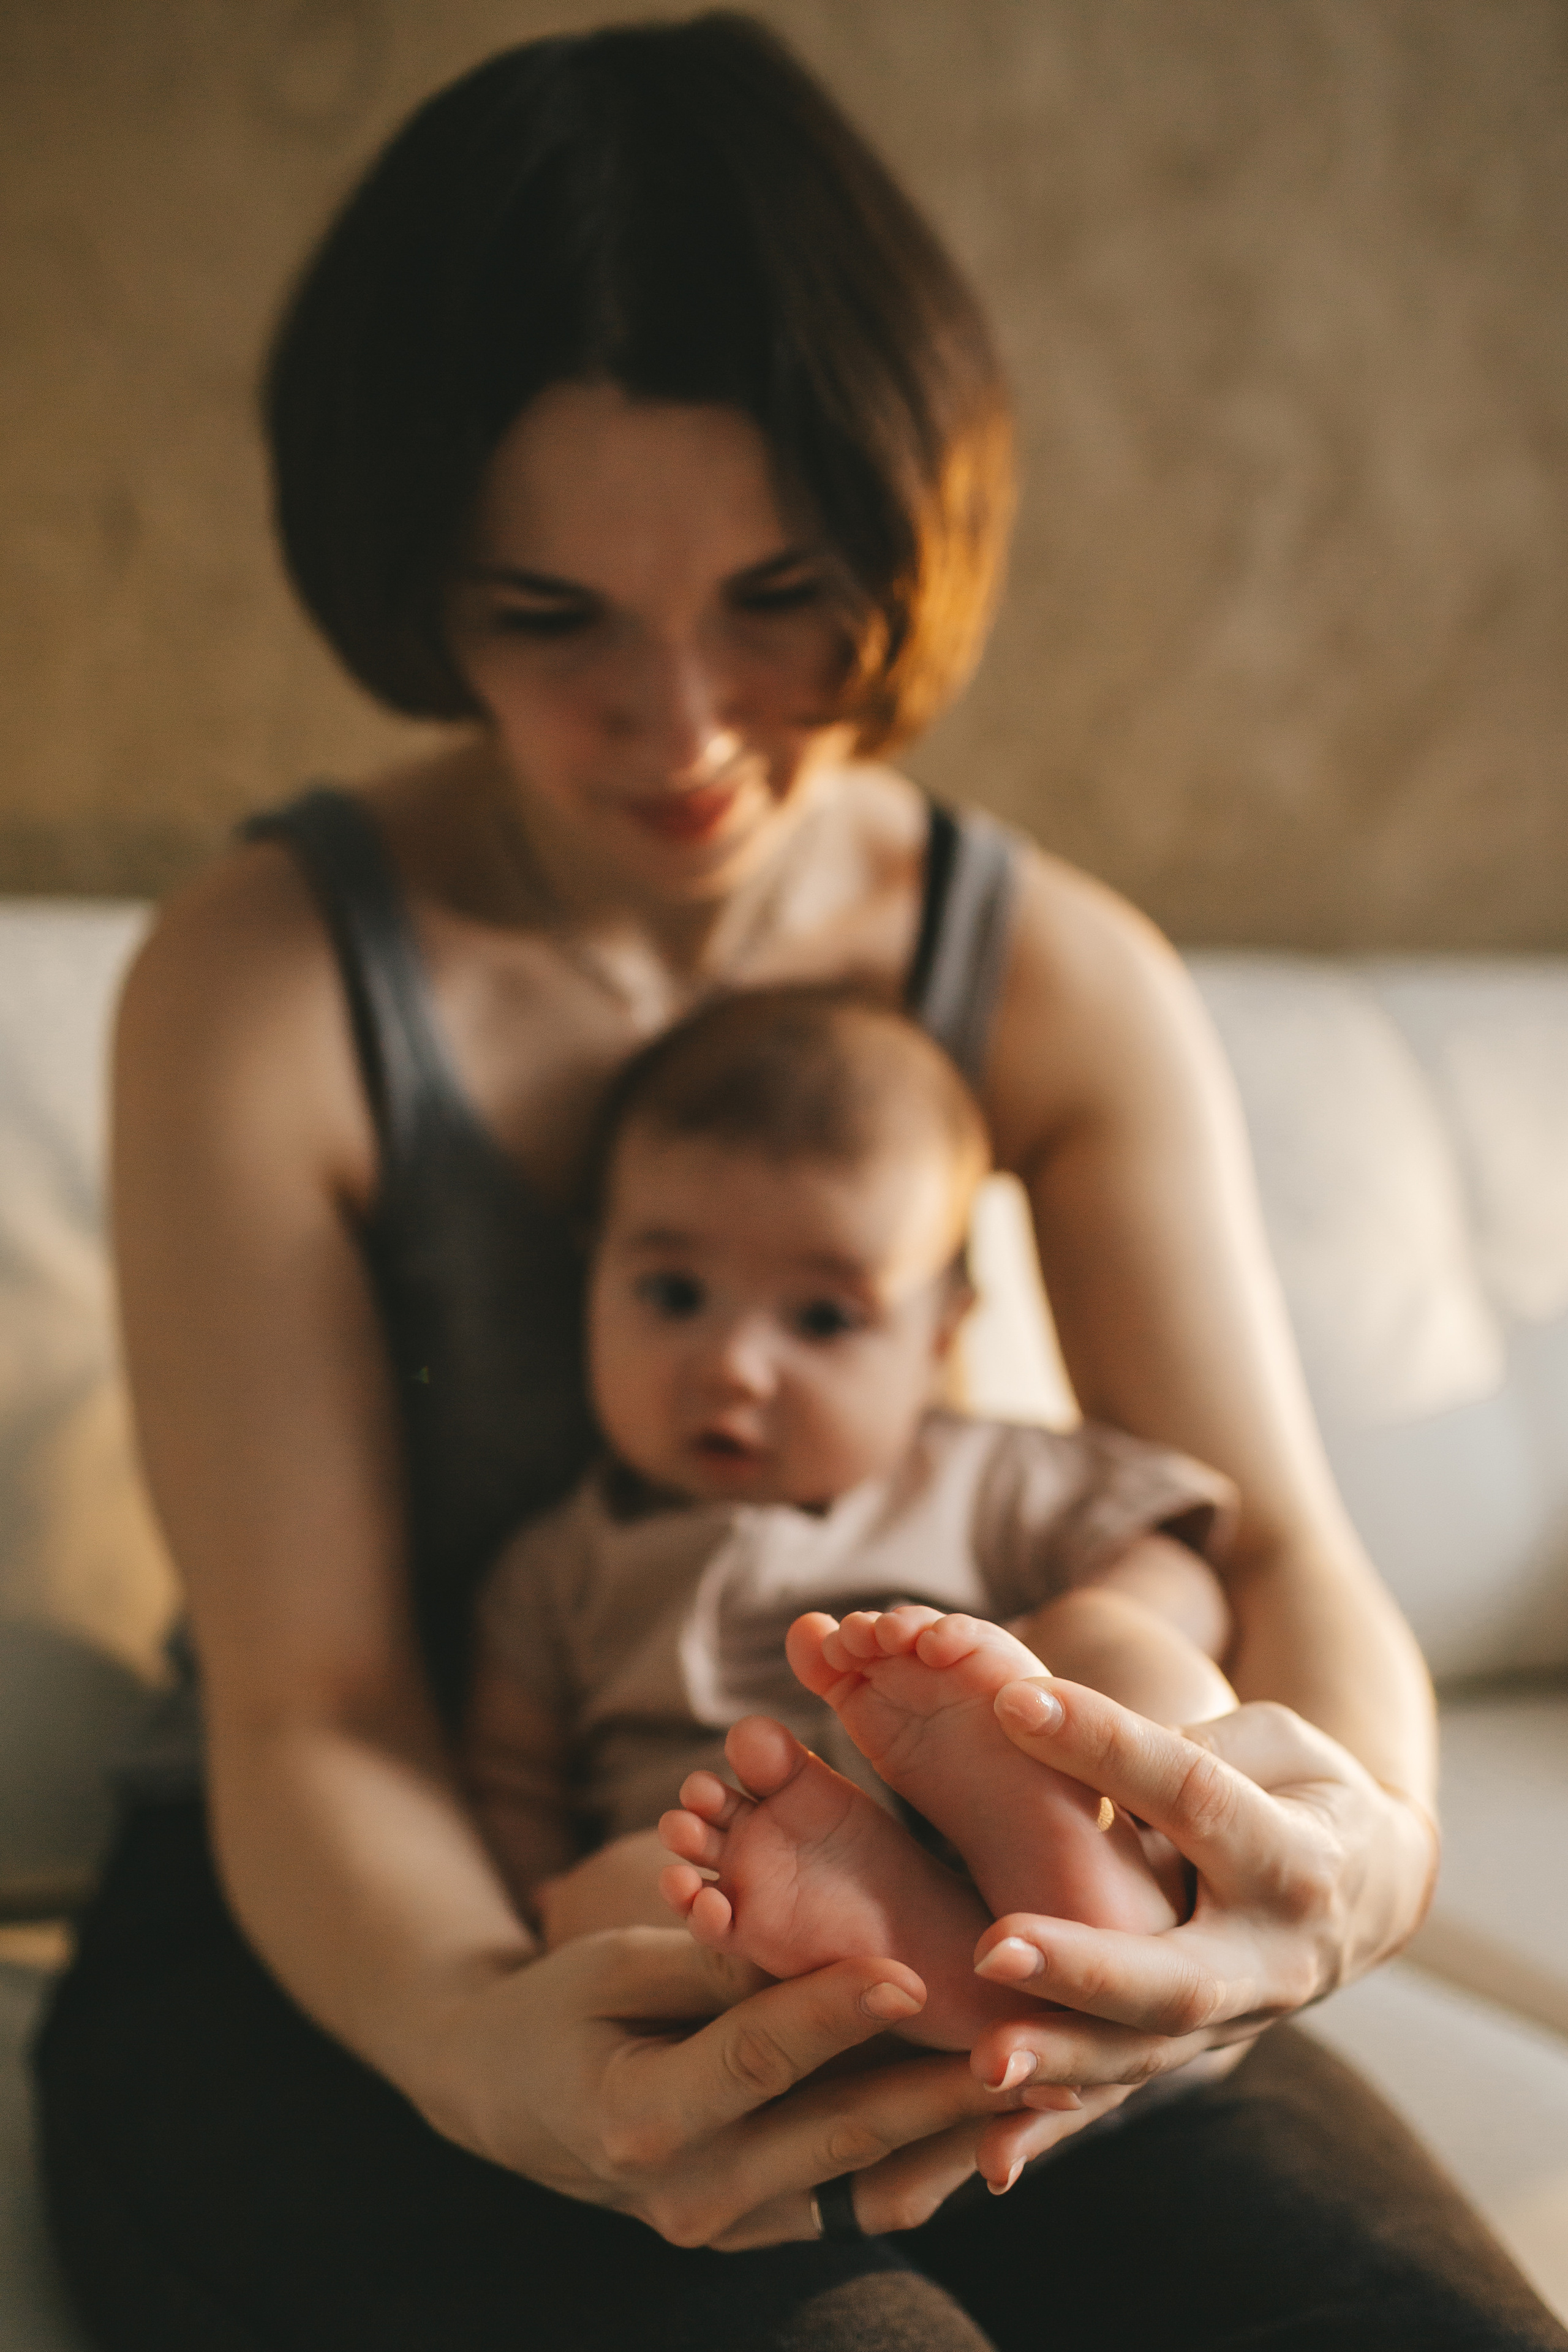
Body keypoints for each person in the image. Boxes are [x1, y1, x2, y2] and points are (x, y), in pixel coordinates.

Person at [32, 14, 1566, 2351]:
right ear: (413, 577)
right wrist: (478, 2039)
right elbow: (316, 1708)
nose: (685, 728)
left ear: (902, 526)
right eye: (551, 619)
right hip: (346, 1943)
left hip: (943, 1904)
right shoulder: (263, 985)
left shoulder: (1054, 974)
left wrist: (1352, 1863)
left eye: (779, 599)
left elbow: (1282, 1567)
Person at [467, 982, 1242, 2052]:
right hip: (735, 1901)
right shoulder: (561, 1565)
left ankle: (1074, 1900)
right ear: (593, 1276)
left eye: (823, 1318)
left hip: (973, 1819)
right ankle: (926, 1968)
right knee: (598, 1902)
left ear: (939, 1340)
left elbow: (1190, 1579)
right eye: (674, 1295)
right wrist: (533, 1905)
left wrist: (1055, 1662)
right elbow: (511, 1780)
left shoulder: (990, 1476)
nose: (735, 1366)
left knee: (1126, 1656)